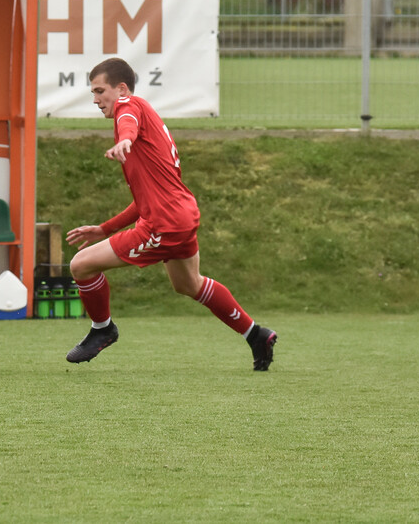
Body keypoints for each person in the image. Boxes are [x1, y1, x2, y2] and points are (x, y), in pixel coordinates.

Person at [64, 57, 277, 371]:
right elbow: (145, 200)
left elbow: (128, 123)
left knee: (80, 266)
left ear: (121, 88)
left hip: (164, 224)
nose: (95, 99)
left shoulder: (130, 106)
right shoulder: (149, 123)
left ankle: (102, 329)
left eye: (100, 90)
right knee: (188, 284)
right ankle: (256, 334)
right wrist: (105, 228)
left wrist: (124, 139)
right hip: (181, 214)